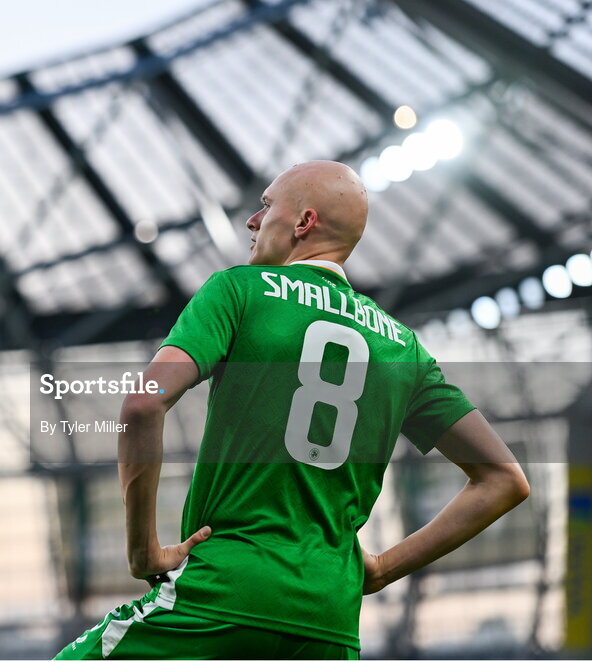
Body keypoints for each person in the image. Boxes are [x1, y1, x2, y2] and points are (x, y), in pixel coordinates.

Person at [54, 161, 529, 660]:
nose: (251, 222)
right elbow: (505, 480)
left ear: (303, 222)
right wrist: (384, 567)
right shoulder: (403, 348)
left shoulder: (240, 291)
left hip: (224, 592)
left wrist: (142, 550)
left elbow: (144, 402)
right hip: (330, 617)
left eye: (265, 206)